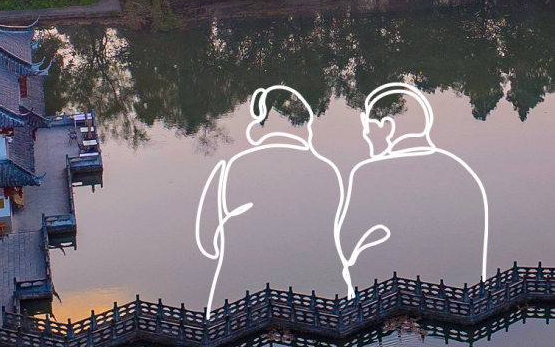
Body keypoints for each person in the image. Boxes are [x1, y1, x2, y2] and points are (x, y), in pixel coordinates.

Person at [195, 85, 343, 319]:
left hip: (238, 289)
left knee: (229, 311)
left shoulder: (234, 166)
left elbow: (207, 237)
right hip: (320, 291)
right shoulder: (327, 169)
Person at [334, 83, 489, 296]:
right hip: (462, 298)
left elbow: (346, 244)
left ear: (387, 127)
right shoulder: (461, 169)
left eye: (368, 127)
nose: (366, 135)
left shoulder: (368, 172)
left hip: (393, 300)